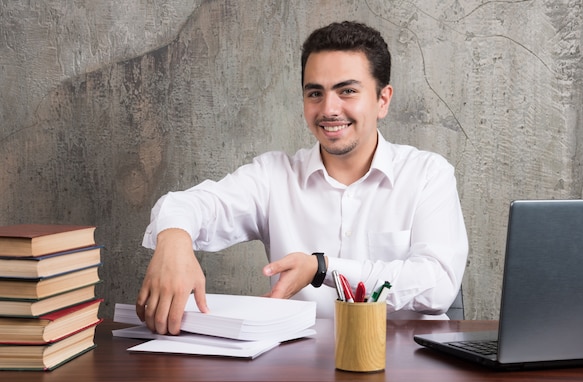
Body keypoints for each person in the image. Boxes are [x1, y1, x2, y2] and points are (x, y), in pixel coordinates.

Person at [136, 21, 468, 335]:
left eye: (347, 91)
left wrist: (322, 269)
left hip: (409, 366)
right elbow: (191, 205)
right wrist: (174, 240)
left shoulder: (428, 174)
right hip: (300, 365)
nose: (329, 109)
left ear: (383, 100)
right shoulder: (273, 176)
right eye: (315, 93)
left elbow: (437, 285)